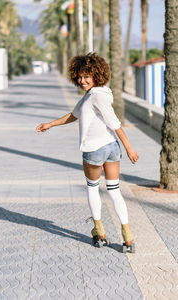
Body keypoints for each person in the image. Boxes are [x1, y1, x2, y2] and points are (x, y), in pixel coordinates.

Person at [35, 52, 139, 252]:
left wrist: (129, 147)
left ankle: (99, 231)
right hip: (111, 148)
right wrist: (51, 124)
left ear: (96, 75)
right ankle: (127, 235)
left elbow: (115, 123)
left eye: (86, 76)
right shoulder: (95, 94)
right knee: (114, 190)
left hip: (95, 150)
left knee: (93, 188)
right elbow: (73, 115)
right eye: (80, 77)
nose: (82, 80)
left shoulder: (96, 97)